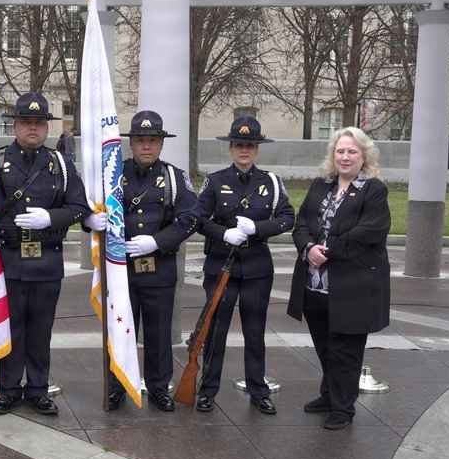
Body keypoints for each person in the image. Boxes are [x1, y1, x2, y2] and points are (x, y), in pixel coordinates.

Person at [0, 92, 89, 416]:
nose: (32, 128)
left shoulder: (61, 164)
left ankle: (37, 388)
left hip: (47, 259)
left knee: (40, 330)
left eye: (39, 123)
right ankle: (8, 389)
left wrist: (52, 217)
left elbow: (79, 207)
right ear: (15, 125)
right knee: (11, 327)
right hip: (8, 259)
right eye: (26, 122)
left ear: (47, 128)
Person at [287, 127, 390, 430]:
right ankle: (330, 394)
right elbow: (302, 220)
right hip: (315, 283)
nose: (345, 157)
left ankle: (344, 407)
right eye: (340, 151)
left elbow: (370, 231)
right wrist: (308, 248)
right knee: (325, 344)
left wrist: (327, 251)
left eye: (352, 151)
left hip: (351, 287)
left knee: (346, 348)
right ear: (333, 154)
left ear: (364, 156)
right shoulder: (322, 184)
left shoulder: (374, 190)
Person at [194, 117, 294, 414]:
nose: (244, 150)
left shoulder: (272, 183)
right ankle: (207, 389)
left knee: (255, 331)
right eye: (239, 145)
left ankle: (258, 390)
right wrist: (222, 232)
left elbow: (288, 217)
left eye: (250, 145)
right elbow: (196, 219)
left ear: (257, 149)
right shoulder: (214, 181)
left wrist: (259, 229)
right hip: (221, 264)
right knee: (215, 331)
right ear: (231, 148)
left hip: (256, 267)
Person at [106, 111, 198, 412]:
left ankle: (158, 387)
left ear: (161, 144)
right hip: (122, 268)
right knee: (121, 331)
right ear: (131, 143)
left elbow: (189, 219)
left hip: (159, 267)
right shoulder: (114, 173)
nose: (147, 146)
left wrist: (156, 241)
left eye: (153, 141)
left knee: (158, 333)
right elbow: (96, 209)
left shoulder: (174, 177)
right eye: (141, 140)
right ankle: (117, 386)